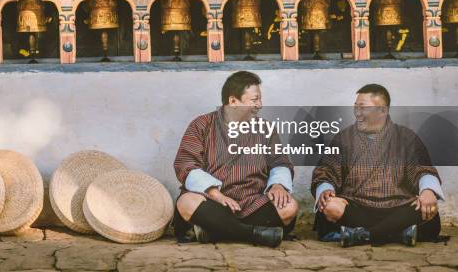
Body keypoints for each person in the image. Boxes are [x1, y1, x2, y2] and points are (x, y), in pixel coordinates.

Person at [173, 71, 299, 247]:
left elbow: (280, 161)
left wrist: (278, 185)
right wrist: (215, 194)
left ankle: (215, 231)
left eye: (260, 99)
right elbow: (186, 164)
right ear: (233, 101)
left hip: (252, 201)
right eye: (254, 100)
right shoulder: (202, 125)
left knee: (289, 207)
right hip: (212, 201)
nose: (260, 105)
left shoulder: (265, 128)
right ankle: (254, 234)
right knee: (186, 202)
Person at [311, 84, 444, 247]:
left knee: (429, 208)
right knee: (330, 207)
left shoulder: (405, 137)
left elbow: (421, 170)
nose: (357, 114)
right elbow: (327, 169)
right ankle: (398, 234)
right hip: (356, 206)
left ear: (383, 110)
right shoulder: (344, 138)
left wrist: (428, 191)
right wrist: (326, 189)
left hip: (398, 206)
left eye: (363, 108)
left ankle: (364, 235)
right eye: (355, 107)